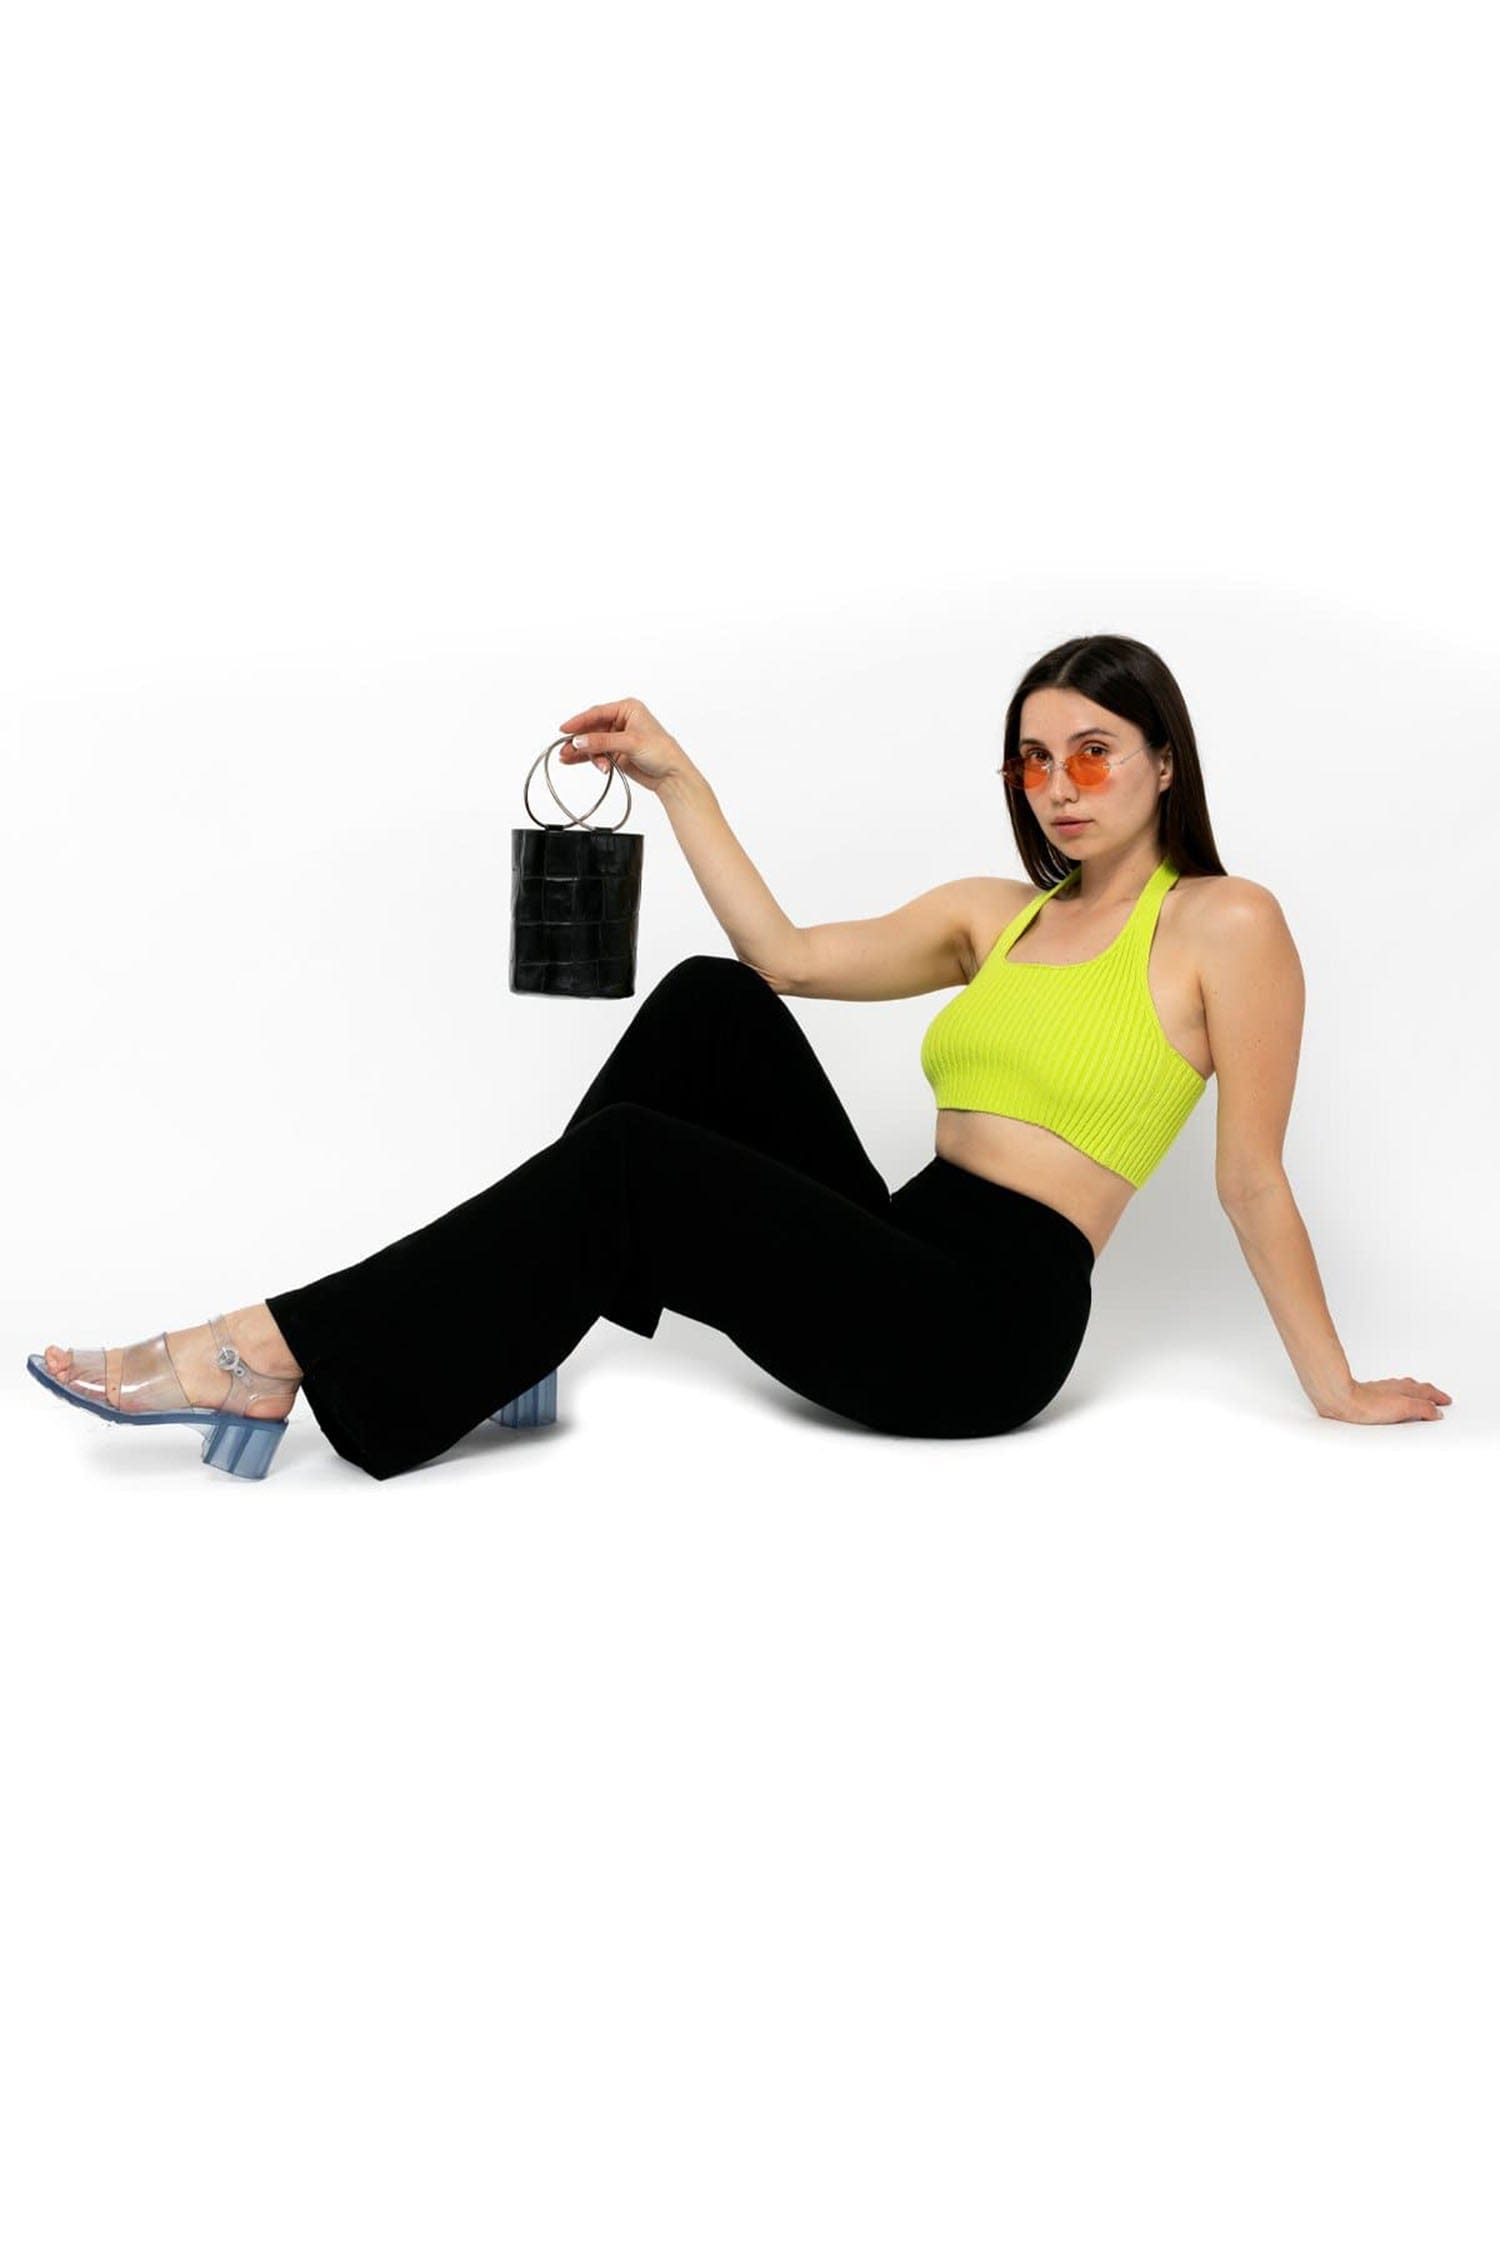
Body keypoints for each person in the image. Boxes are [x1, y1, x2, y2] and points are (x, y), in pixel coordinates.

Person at [28, 635, 1452, 1479]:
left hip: (987, 1329)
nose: (1058, 786)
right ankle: (511, 1321)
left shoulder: (1225, 924)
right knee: (714, 1001)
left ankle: (258, 1350)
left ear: (1164, 762)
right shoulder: (995, 913)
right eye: (1032, 759)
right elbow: (787, 957)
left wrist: (1334, 1387)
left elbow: (1252, 1179)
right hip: (906, 1244)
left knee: (637, 1164)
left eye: (1093, 752)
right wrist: (678, 781)